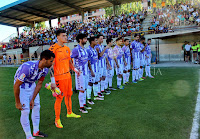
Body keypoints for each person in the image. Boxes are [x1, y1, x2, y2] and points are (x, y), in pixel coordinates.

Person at [13, 50, 55, 139]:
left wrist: (32, 99)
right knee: (25, 111)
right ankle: (28, 136)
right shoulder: (28, 67)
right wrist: (17, 102)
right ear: (44, 59)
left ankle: (36, 131)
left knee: (37, 107)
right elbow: (16, 85)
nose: (52, 63)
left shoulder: (45, 70)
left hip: (32, 84)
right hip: (22, 86)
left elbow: (39, 84)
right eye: (51, 61)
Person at [49, 29, 81, 129]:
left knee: (69, 95)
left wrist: (75, 69)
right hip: (59, 78)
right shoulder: (53, 48)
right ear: (57, 37)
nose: (66, 37)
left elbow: (69, 62)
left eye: (66, 35)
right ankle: (57, 119)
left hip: (68, 76)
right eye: (63, 36)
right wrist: (52, 81)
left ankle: (69, 112)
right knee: (59, 98)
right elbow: (50, 65)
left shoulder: (67, 48)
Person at [71, 33, 91, 114]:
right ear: (80, 40)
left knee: (85, 88)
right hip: (80, 73)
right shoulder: (76, 49)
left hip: (86, 72)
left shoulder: (85, 48)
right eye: (85, 39)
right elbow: (70, 60)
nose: (86, 40)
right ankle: (81, 107)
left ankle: (84, 104)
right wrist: (75, 69)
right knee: (82, 90)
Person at [86, 36, 104, 106]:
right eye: (96, 40)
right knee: (90, 83)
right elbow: (88, 61)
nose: (97, 42)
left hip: (97, 68)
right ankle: (89, 98)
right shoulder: (88, 50)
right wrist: (91, 70)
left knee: (96, 81)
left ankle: (96, 96)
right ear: (92, 42)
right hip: (92, 69)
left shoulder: (95, 49)